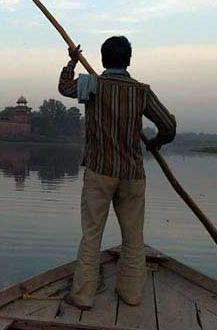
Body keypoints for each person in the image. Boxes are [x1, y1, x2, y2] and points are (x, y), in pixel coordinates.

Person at [58, 36, 176, 309]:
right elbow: (168, 126)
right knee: (134, 237)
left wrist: (72, 61)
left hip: (99, 172)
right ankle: (132, 295)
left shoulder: (91, 84)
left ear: (102, 60)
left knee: (91, 235)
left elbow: (64, 87)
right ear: (129, 60)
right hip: (132, 174)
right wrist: (156, 142)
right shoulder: (141, 91)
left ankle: (83, 296)